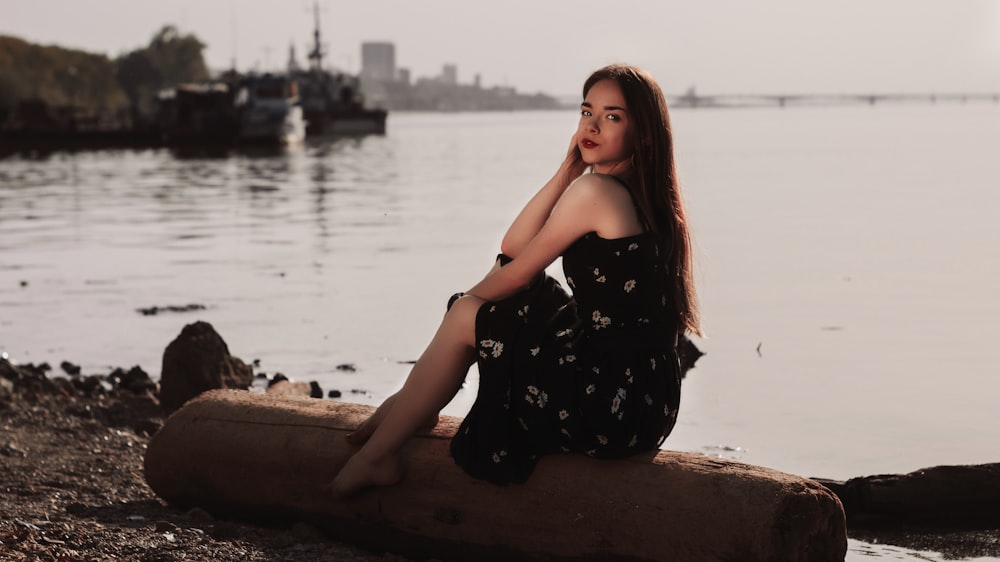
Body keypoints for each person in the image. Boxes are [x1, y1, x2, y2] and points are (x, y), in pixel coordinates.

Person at [331, 63, 701, 496]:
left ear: (644, 135)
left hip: (606, 404)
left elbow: (518, 266)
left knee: (472, 310)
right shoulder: (642, 191)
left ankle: (382, 448)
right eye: (587, 112)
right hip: (646, 401)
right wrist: (570, 166)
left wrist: (459, 316)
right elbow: (515, 248)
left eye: (612, 117)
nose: (593, 125)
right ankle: (416, 400)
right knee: (512, 293)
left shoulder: (597, 193)